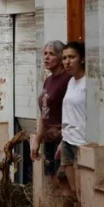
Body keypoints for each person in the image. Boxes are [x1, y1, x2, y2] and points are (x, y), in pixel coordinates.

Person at [32, 41, 71, 182]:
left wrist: (64, 140)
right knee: (53, 182)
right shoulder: (48, 80)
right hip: (49, 139)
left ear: (61, 57)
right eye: (45, 54)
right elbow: (44, 113)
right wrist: (37, 139)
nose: (46, 57)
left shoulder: (67, 80)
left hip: (62, 139)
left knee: (64, 183)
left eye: (51, 54)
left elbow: (71, 112)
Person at [60, 41, 87, 199]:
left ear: (81, 59)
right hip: (67, 140)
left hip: (81, 142)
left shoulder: (89, 82)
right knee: (74, 192)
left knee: (82, 190)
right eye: (64, 58)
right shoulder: (71, 81)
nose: (67, 62)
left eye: (72, 57)